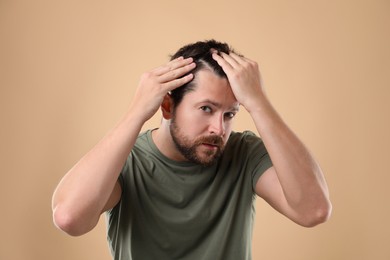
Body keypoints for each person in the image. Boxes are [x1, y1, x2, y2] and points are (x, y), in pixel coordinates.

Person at [52, 40, 332, 260]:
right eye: (206, 109)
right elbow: (69, 219)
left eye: (229, 114)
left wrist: (259, 103)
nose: (218, 129)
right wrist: (136, 112)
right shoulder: (127, 160)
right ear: (167, 106)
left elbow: (313, 210)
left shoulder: (244, 153)